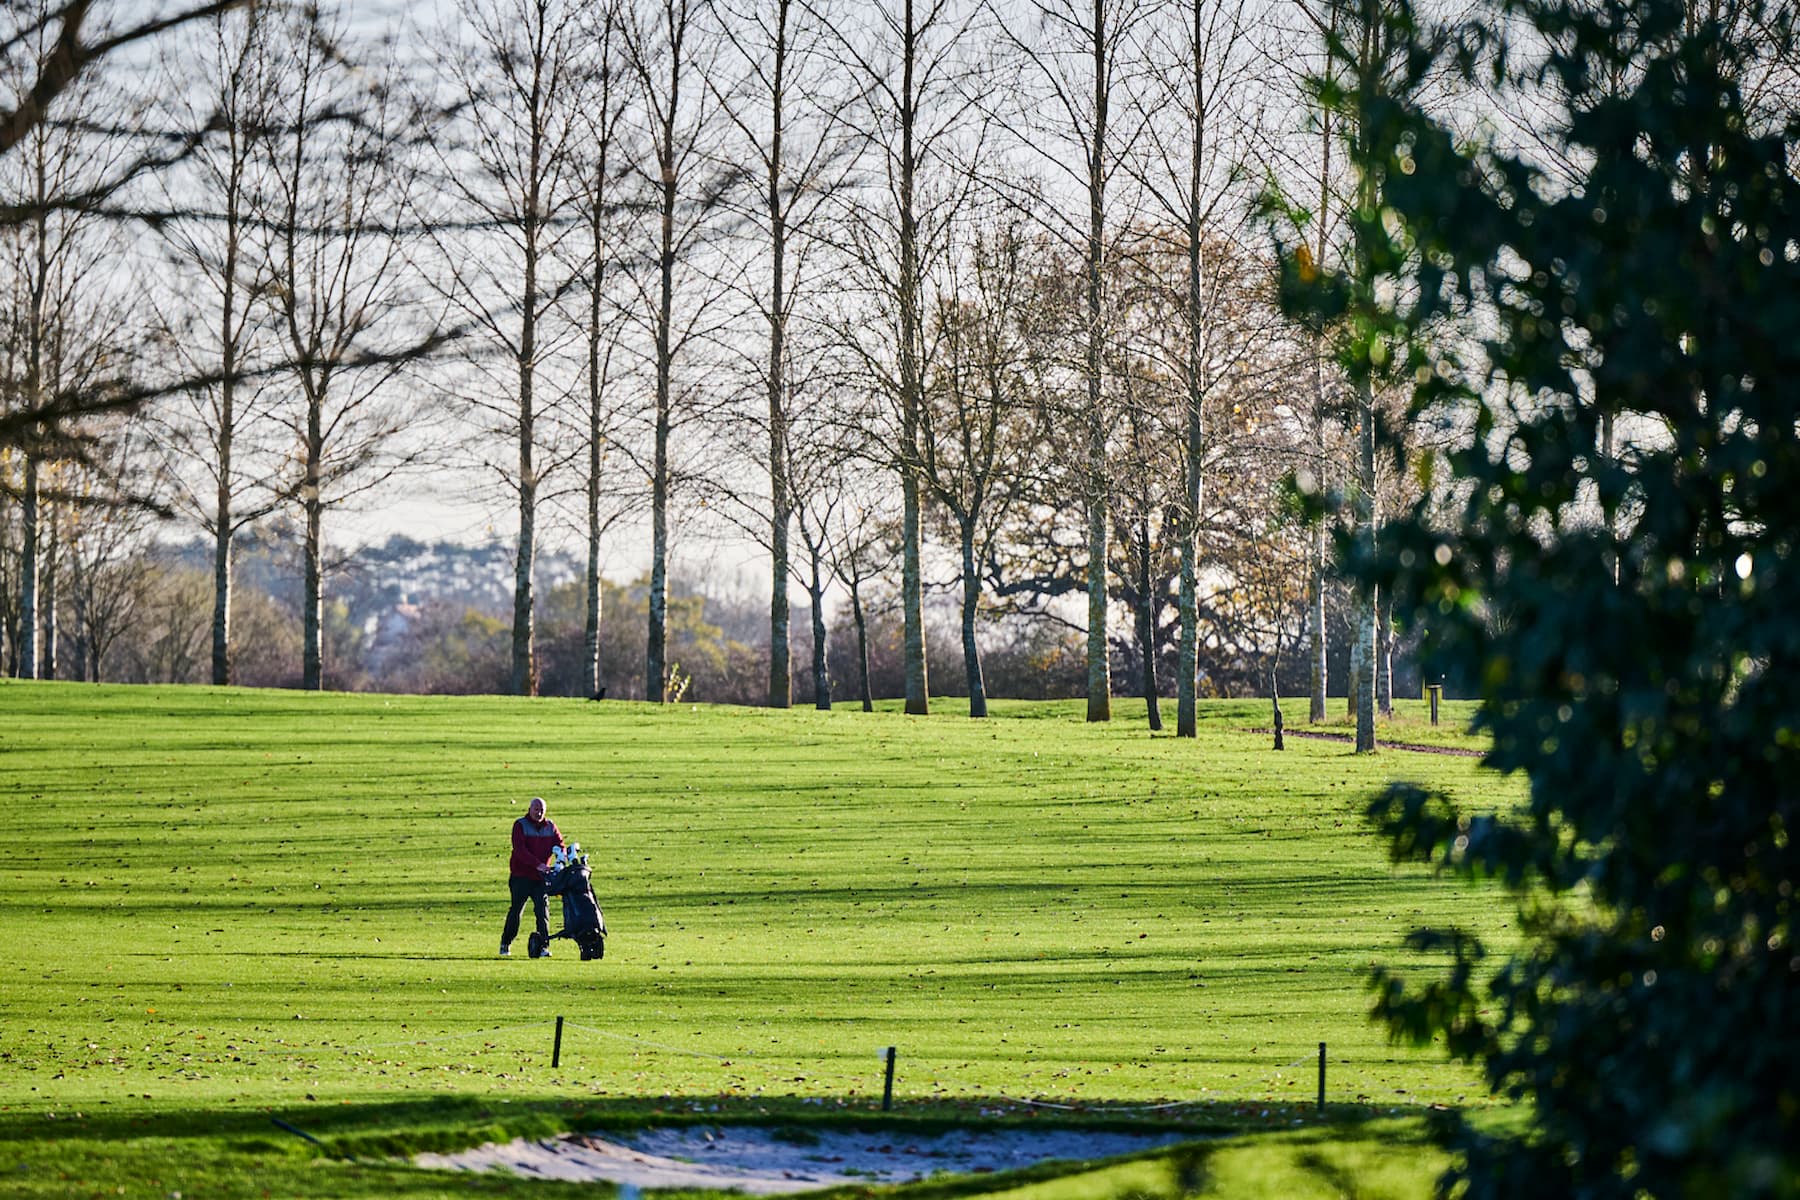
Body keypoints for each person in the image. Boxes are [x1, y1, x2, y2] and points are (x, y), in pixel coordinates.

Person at [500, 796, 563, 958]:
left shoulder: (550, 827)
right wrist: (538, 864)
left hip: (541, 879)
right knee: (516, 911)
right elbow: (520, 851)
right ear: (529, 809)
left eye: (542, 810)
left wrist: (560, 859)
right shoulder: (520, 825)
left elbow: (559, 845)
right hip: (521, 876)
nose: (539, 813)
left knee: (543, 912)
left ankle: (544, 947)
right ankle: (506, 943)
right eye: (536, 809)